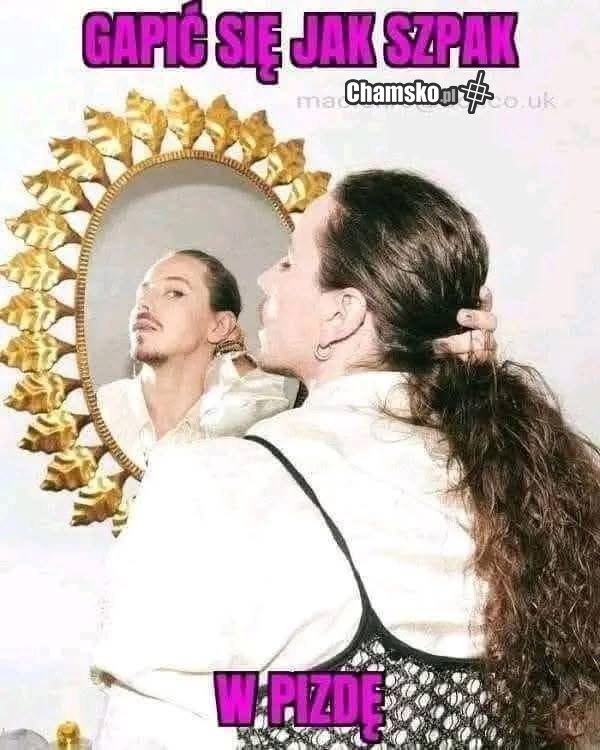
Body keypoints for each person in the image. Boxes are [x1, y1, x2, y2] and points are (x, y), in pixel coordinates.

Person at [91, 170, 600, 749]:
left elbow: (163, 729)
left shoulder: (213, 480)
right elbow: (396, 701)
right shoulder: (514, 483)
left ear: (343, 314)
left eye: (288, 263)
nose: (264, 278)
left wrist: (298, 702)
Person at [96, 249, 291, 468]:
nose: (144, 304)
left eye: (174, 293)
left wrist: (238, 364)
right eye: (143, 293)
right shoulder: (97, 411)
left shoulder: (249, 426)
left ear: (219, 326)